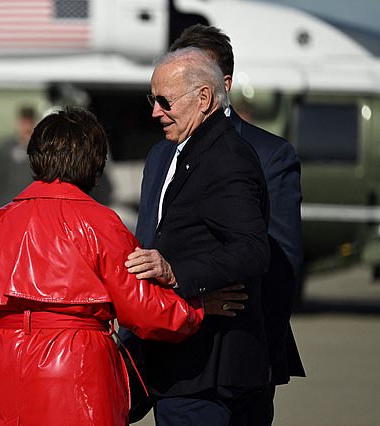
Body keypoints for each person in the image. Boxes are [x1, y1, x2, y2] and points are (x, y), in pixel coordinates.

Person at [0, 107, 247, 426]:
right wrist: (196, 308)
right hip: (79, 368)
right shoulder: (103, 225)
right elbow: (144, 309)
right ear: (96, 164)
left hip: (4, 368)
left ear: (35, 157)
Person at [123, 47, 271, 425]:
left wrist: (177, 273)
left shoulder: (226, 157)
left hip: (205, 373)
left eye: (164, 100)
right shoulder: (178, 151)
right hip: (183, 368)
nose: (155, 111)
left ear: (203, 98)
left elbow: (252, 250)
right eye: (151, 99)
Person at [169, 24, 306, 425]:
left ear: (222, 84)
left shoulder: (269, 154)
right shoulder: (161, 155)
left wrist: (259, 354)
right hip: (173, 357)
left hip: (241, 364)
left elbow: (281, 264)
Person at [0, 105, 37, 208]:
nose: (27, 127)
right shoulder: (5, 148)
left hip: (32, 206)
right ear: (18, 123)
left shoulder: (41, 150)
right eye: (24, 123)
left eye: (30, 123)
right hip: (8, 205)